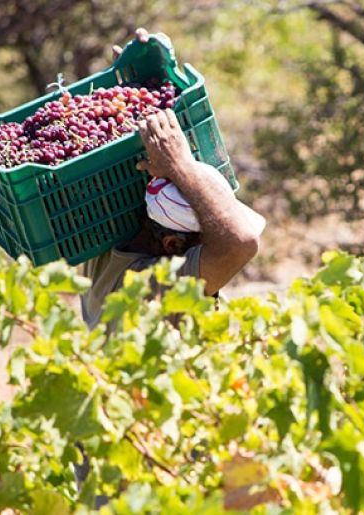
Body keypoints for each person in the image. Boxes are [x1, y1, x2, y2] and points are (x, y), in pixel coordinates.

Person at [79, 30, 265, 330]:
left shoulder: (110, 245)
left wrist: (135, 84)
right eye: (207, 242)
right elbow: (240, 243)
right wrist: (179, 165)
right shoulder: (150, 289)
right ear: (173, 243)